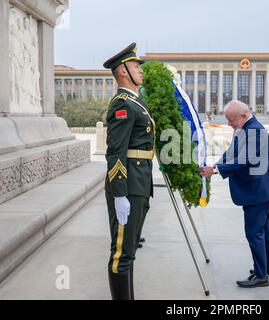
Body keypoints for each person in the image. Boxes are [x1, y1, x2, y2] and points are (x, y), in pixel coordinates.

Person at [199, 100, 269, 288]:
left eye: (231, 119)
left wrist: (216, 170)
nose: (228, 122)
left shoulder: (255, 131)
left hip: (257, 191)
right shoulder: (245, 128)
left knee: (254, 232)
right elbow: (231, 152)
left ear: (243, 116)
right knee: (263, 230)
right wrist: (214, 166)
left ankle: (261, 276)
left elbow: (243, 160)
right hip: (261, 189)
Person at [103, 43, 155, 300]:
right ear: (123, 71)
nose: (140, 70)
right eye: (136, 66)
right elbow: (115, 152)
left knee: (130, 250)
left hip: (140, 183)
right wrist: (119, 193)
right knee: (121, 254)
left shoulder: (136, 102)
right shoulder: (122, 105)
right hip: (129, 186)